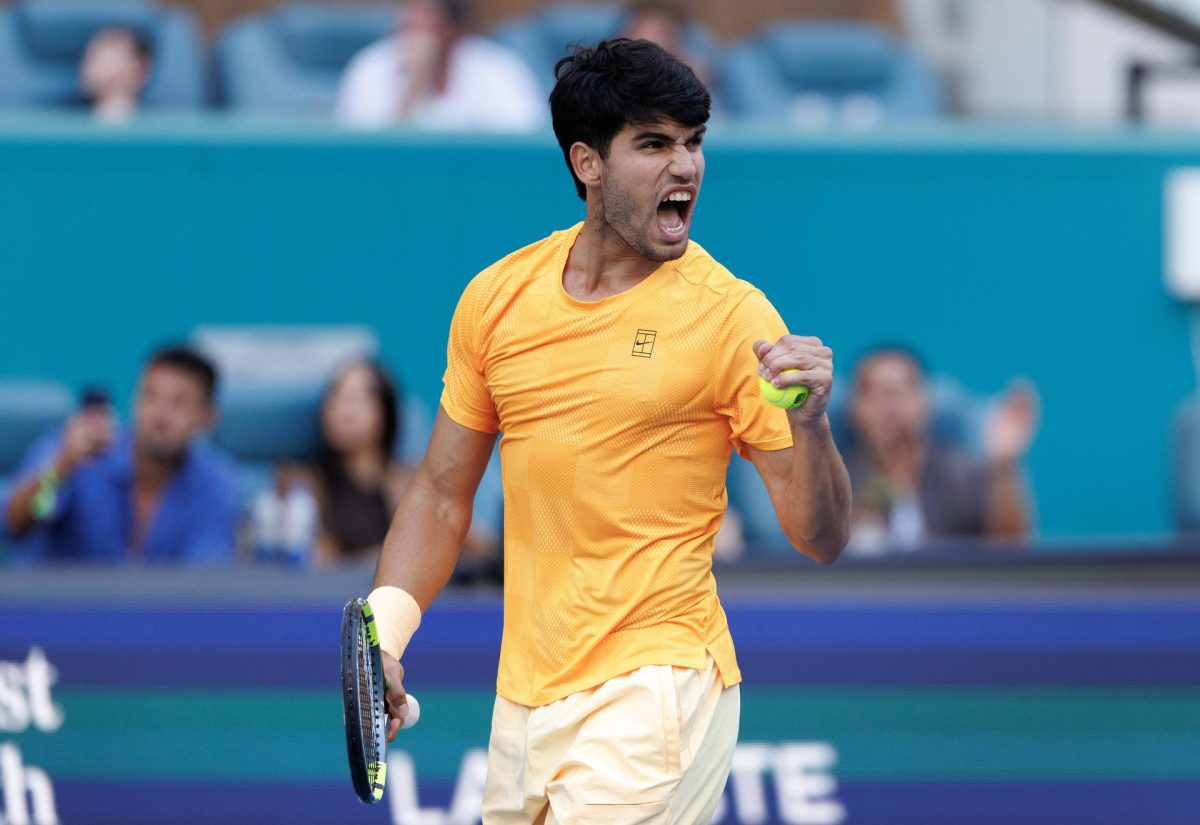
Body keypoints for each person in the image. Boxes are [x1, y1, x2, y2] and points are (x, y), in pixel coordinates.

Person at [363, 38, 851, 823]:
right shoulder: (497, 299)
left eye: (693, 143)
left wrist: (814, 424)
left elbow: (819, 534)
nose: (685, 167)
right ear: (588, 164)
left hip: (656, 686)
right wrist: (386, 631)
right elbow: (443, 492)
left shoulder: (732, 318)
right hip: (525, 698)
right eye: (654, 144)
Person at [1, 347, 239, 564]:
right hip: (50, 607)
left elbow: (205, 586)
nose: (160, 415)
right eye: (150, 395)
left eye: (179, 403)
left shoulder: (217, 485)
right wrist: (61, 468)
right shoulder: (69, 452)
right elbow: (15, 523)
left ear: (207, 416)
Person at [253, 359, 499, 569]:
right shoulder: (304, 483)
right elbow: (316, 565)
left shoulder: (410, 479)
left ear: (385, 411)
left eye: (360, 398)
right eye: (337, 396)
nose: (345, 409)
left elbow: (476, 545)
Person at [843, 345, 1039, 553]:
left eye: (903, 390)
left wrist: (1004, 466)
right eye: (877, 393)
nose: (892, 407)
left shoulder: (963, 475)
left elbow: (1011, 550)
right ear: (853, 408)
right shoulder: (836, 481)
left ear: (926, 400)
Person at [335, 0, 543, 131]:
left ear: (453, 28)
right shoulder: (369, 68)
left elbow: (522, 142)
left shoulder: (499, 69)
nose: (411, 22)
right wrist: (412, 88)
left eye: (426, 13)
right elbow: (364, 156)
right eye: (409, 10)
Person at [78, 27, 154, 122]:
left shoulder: (159, 129)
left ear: (138, 66)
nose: (88, 62)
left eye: (111, 44)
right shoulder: (68, 124)